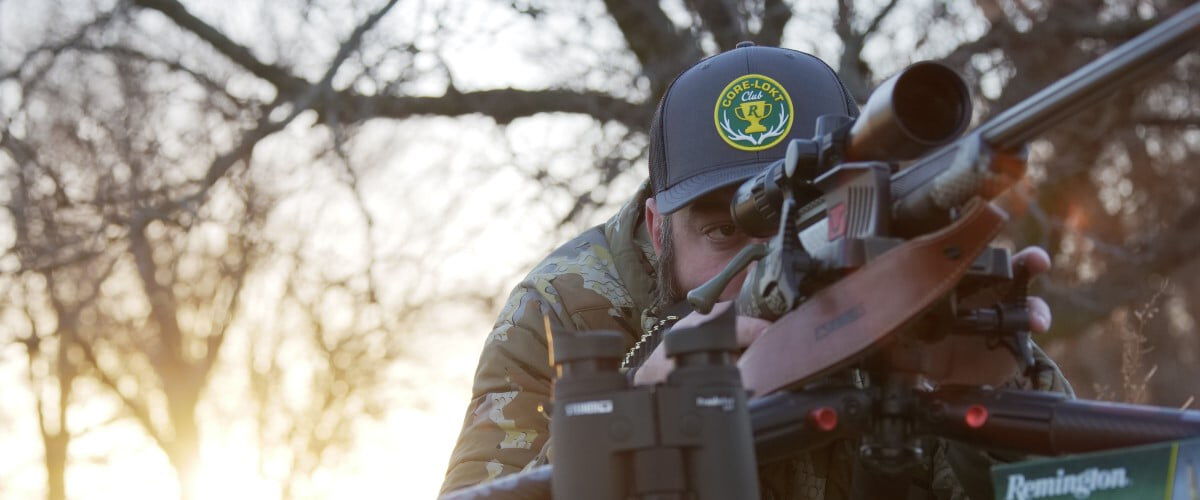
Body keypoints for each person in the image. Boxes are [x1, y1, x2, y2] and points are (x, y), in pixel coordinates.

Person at [440, 42, 1071, 499]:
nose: (772, 264)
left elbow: (1081, 487)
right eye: (723, 231)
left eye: (805, 226)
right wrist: (626, 426)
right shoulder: (566, 313)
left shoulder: (889, 273)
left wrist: (996, 398)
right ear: (658, 228)